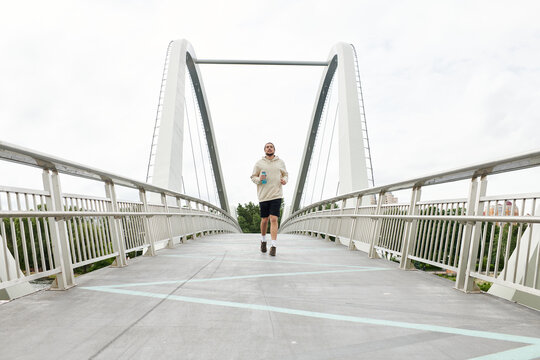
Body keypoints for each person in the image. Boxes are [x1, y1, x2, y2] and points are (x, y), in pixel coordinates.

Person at [250, 142, 288, 256]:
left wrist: (285, 180)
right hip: (263, 195)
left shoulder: (280, 162)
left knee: (274, 219)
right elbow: (253, 176)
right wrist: (259, 179)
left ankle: (274, 245)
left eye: (271, 147)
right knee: (265, 220)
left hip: (276, 195)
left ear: (274, 149)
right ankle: (263, 240)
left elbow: (285, 174)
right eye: (267, 147)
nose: (269, 148)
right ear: (264, 150)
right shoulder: (259, 163)